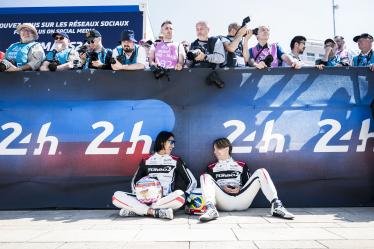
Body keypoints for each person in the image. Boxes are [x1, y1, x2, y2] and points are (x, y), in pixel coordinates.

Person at [199, 138, 294, 222]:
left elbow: (248, 185)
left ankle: (276, 206)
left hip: (242, 200)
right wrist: (222, 188)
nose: (215, 152)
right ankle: (210, 208)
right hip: (223, 202)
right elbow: (210, 186)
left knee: (262, 171)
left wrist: (239, 188)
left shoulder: (241, 165)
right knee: (205, 176)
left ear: (227, 148)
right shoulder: (211, 167)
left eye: (217, 148)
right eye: (214, 149)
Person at [112, 131, 197, 220]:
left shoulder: (176, 160)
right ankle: (155, 212)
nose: (173, 146)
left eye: (173, 143)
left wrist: (187, 195)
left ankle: (138, 210)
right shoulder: (146, 160)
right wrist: (139, 197)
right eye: (171, 142)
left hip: (164, 199)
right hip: (144, 199)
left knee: (180, 195)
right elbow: (134, 181)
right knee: (116, 196)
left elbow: (192, 181)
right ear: (162, 142)